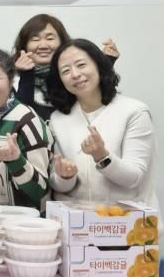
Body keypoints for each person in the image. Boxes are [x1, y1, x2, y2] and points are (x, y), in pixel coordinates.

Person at [46, 39, 158, 210]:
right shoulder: (58, 119)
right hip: (77, 218)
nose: (75, 74)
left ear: (99, 65)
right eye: (65, 71)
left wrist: (102, 156)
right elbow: (58, 185)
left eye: (81, 65)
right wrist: (65, 177)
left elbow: (134, 178)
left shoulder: (134, 111)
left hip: (126, 219)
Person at [0, 47, 52, 210]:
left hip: (20, 220)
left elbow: (40, 190)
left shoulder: (26, 120)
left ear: (11, 79)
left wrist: (16, 162)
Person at [12, 14, 119, 120]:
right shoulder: (10, 80)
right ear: (24, 46)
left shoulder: (72, 77)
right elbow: (19, 118)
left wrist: (106, 62)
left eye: (50, 38)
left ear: (62, 42)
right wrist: (26, 75)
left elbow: (98, 103)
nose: (43, 45)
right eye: (35, 39)